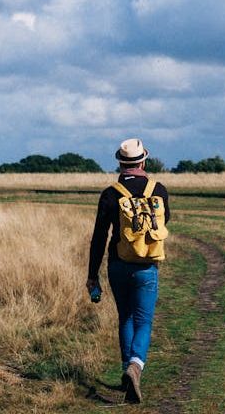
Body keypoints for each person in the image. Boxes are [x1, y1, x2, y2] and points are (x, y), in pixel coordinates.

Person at [86, 137, 171, 404]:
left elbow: (99, 237)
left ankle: (127, 370)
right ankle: (136, 366)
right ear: (143, 160)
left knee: (125, 317)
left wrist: (92, 275)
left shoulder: (110, 194)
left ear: (120, 164)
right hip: (147, 265)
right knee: (144, 320)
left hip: (118, 264)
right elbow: (163, 221)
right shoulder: (159, 191)